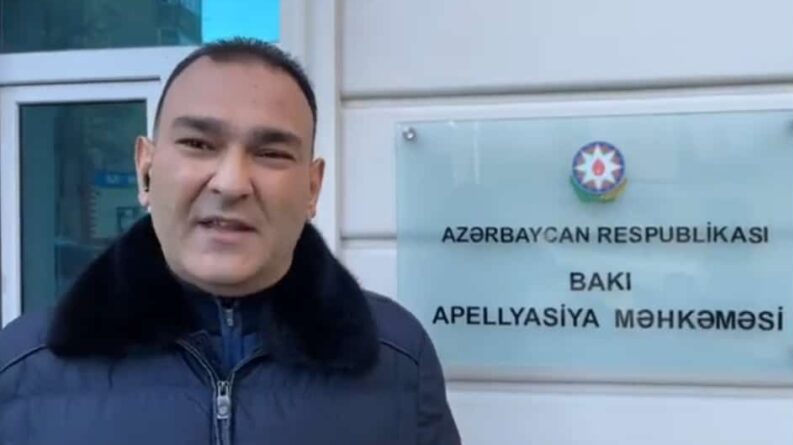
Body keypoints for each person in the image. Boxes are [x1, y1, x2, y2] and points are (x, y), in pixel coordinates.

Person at [0, 38, 461, 445]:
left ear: (312, 188)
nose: (231, 182)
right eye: (199, 144)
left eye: (271, 153)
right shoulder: (22, 367)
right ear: (146, 170)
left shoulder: (398, 359)